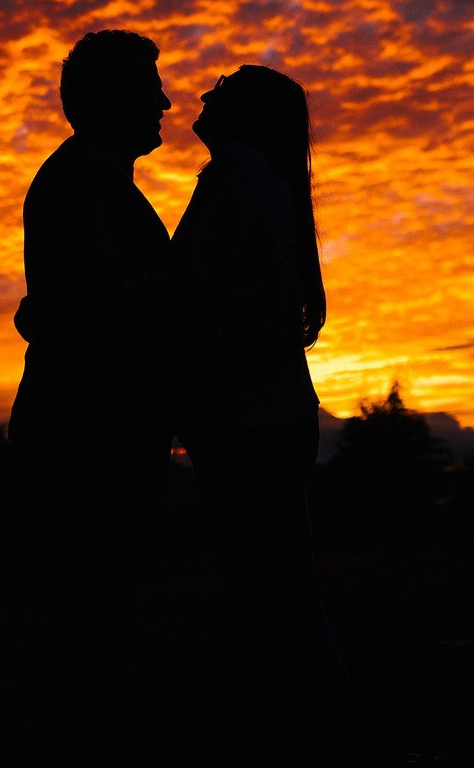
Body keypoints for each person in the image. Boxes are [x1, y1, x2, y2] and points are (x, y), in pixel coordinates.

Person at [172, 65, 354, 745]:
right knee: (286, 591)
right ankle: (317, 730)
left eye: (225, 85)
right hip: (273, 415)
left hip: (247, 421)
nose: (205, 92)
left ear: (247, 112)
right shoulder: (265, 183)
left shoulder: (236, 175)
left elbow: (188, 294)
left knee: (272, 599)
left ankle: (318, 735)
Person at [8, 29, 174, 723]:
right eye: (147, 87)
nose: (165, 101)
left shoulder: (91, 175)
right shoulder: (88, 177)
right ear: (109, 100)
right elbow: (112, 303)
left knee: (96, 608)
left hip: (90, 420)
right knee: (93, 610)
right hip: (89, 427)